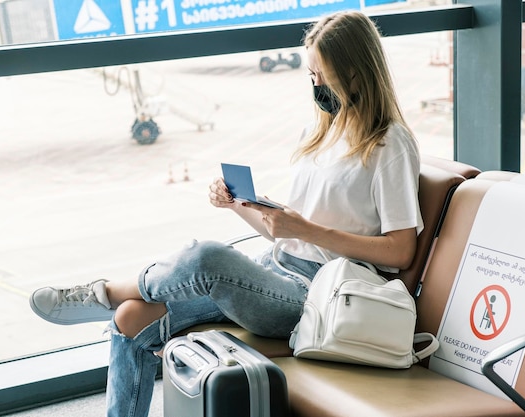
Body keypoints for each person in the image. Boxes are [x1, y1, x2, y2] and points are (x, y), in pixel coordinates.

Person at [29, 10, 423, 417]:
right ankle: (118, 308)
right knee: (131, 318)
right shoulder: (321, 132)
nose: (316, 84)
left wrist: (307, 228)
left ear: (356, 71)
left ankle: (104, 293)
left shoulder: (389, 144)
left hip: (316, 296)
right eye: (311, 75)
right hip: (274, 268)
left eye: (323, 74)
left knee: (205, 257)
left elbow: (400, 252)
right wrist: (241, 204)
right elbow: (284, 234)